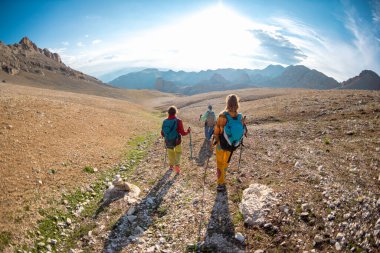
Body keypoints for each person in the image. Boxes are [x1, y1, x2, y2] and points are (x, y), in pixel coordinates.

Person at [213, 94, 246, 191]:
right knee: (226, 162)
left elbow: (217, 131)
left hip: (221, 144)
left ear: (227, 103)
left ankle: (221, 183)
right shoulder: (240, 116)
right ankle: (224, 178)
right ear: (237, 103)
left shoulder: (222, 115)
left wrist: (215, 140)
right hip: (231, 144)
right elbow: (243, 130)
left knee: (219, 163)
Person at [161, 106, 191, 174]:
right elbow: (182, 133)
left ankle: (171, 166)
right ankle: (177, 166)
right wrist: (188, 131)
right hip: (177, 141)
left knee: (170, 153)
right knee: (178, 152)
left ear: (168, 113)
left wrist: (166, 136)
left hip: (168, 140)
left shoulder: (164, 121)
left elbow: (162, 133)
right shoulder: (178, 121)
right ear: (176, 112)